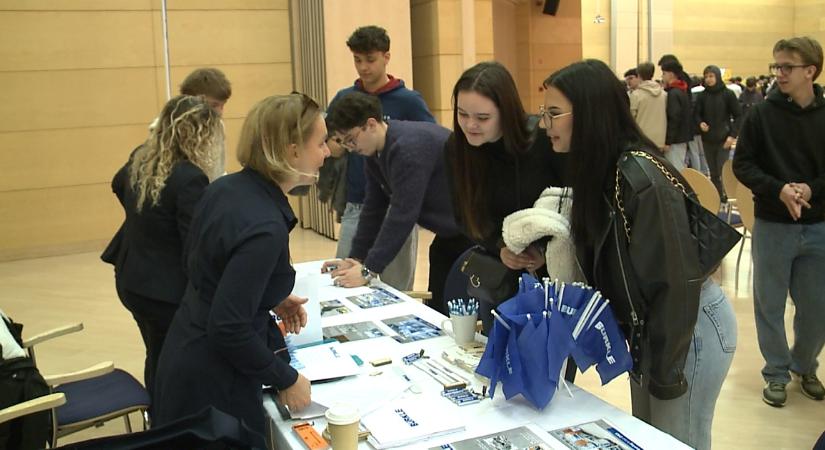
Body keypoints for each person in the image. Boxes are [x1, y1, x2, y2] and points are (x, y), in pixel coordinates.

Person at [542, 59, 736, 450]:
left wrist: (662, 374)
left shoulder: (640, 177)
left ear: (592, 113)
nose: (544, 124)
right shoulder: (599, 170)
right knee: (649, 440)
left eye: (554, 113)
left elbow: (676, 286)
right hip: (653, 331)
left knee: (679, 442)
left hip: (686, 329)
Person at [153, 93, 328, 444]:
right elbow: (228, 328)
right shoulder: (264, 225)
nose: (327, 152)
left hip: (185, 350)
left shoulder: (226, 188)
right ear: (293, 151)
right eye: (321, 143)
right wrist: (286, 378)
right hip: (214, 382)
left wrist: (267, 295)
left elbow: (210, 270)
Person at [101, 95, 223, 403]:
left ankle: (158, 413)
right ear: (196, 136)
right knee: (173, 360)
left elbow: (118, 183)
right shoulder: (189, 177)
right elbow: (195, 245)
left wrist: (145, 220)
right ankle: (169, 420)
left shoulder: (142, 160)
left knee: (155, 352)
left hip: (132, 279)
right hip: (164, 291)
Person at [733, 36, 825, 407]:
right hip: (772, 225)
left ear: (811, 71)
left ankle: (804, 365)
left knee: (816, 305)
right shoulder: (761, 114)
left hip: (818, 225)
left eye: (787, 67)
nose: (779, 73)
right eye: (776, 66)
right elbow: (743, 164)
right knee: (768, 304)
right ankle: (775, 372)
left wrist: (810, 189)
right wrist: (779, 190)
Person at [444, 61, 568, 331]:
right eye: (462, 114)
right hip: (498, 276)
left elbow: (570, 206)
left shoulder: (543, 141)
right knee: (499, 357)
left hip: (552, 274)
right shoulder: (457, 148)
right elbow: (464, 215)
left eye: (482, 118)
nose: (470, 125)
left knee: (547, 363)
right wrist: (499, 246)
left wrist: (547, 253)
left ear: (506, 112)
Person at [321, 92, 469, 316]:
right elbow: (373, 207)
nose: (350, 148)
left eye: (351, 139)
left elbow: (402, 214)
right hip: (450, 233)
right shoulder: (375, 151)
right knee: (439, 305)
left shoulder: (407, 148)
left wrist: (369, 270)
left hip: (473, 232)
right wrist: (356, 258)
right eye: (343, 143)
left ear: (371, 124)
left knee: (461, 305)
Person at [325, 25, 436, 292]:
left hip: (398, 203)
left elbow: (428, 141)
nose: (363, 67)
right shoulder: (344, 97)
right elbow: (329, 141)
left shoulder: (408, 101)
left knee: (394, 285)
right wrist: (337, 145)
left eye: (370, 59)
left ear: (386, 57)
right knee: (346, 273)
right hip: (358, 201)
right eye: (357, 60)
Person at [695, 65, 742, 202]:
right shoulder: (702, 96)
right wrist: (700, 123)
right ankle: (717, 196)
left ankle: (726, 194)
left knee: (722, 170)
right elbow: (696, 114)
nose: (708, 79)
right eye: (706, 76)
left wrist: (732, 135)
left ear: (717, 77)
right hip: (707, 139)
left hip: (723, 138)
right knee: (713, 171)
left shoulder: (728, 94)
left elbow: (738, 116)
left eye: (711, 76)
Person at [660, 59, 693, 171]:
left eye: (664, 73)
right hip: (682, 137)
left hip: (675, 140)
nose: (662, 76)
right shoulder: (682, 90)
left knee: (675, 171)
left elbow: (674, 118)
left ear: (671, 74)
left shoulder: (673, 93)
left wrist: (668, 141)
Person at [629, 62, 667, 149]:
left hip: (642, 140)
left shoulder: (636, 95)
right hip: (660, 140)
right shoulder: (663, 94)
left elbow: (631, 117)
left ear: (638, 75)